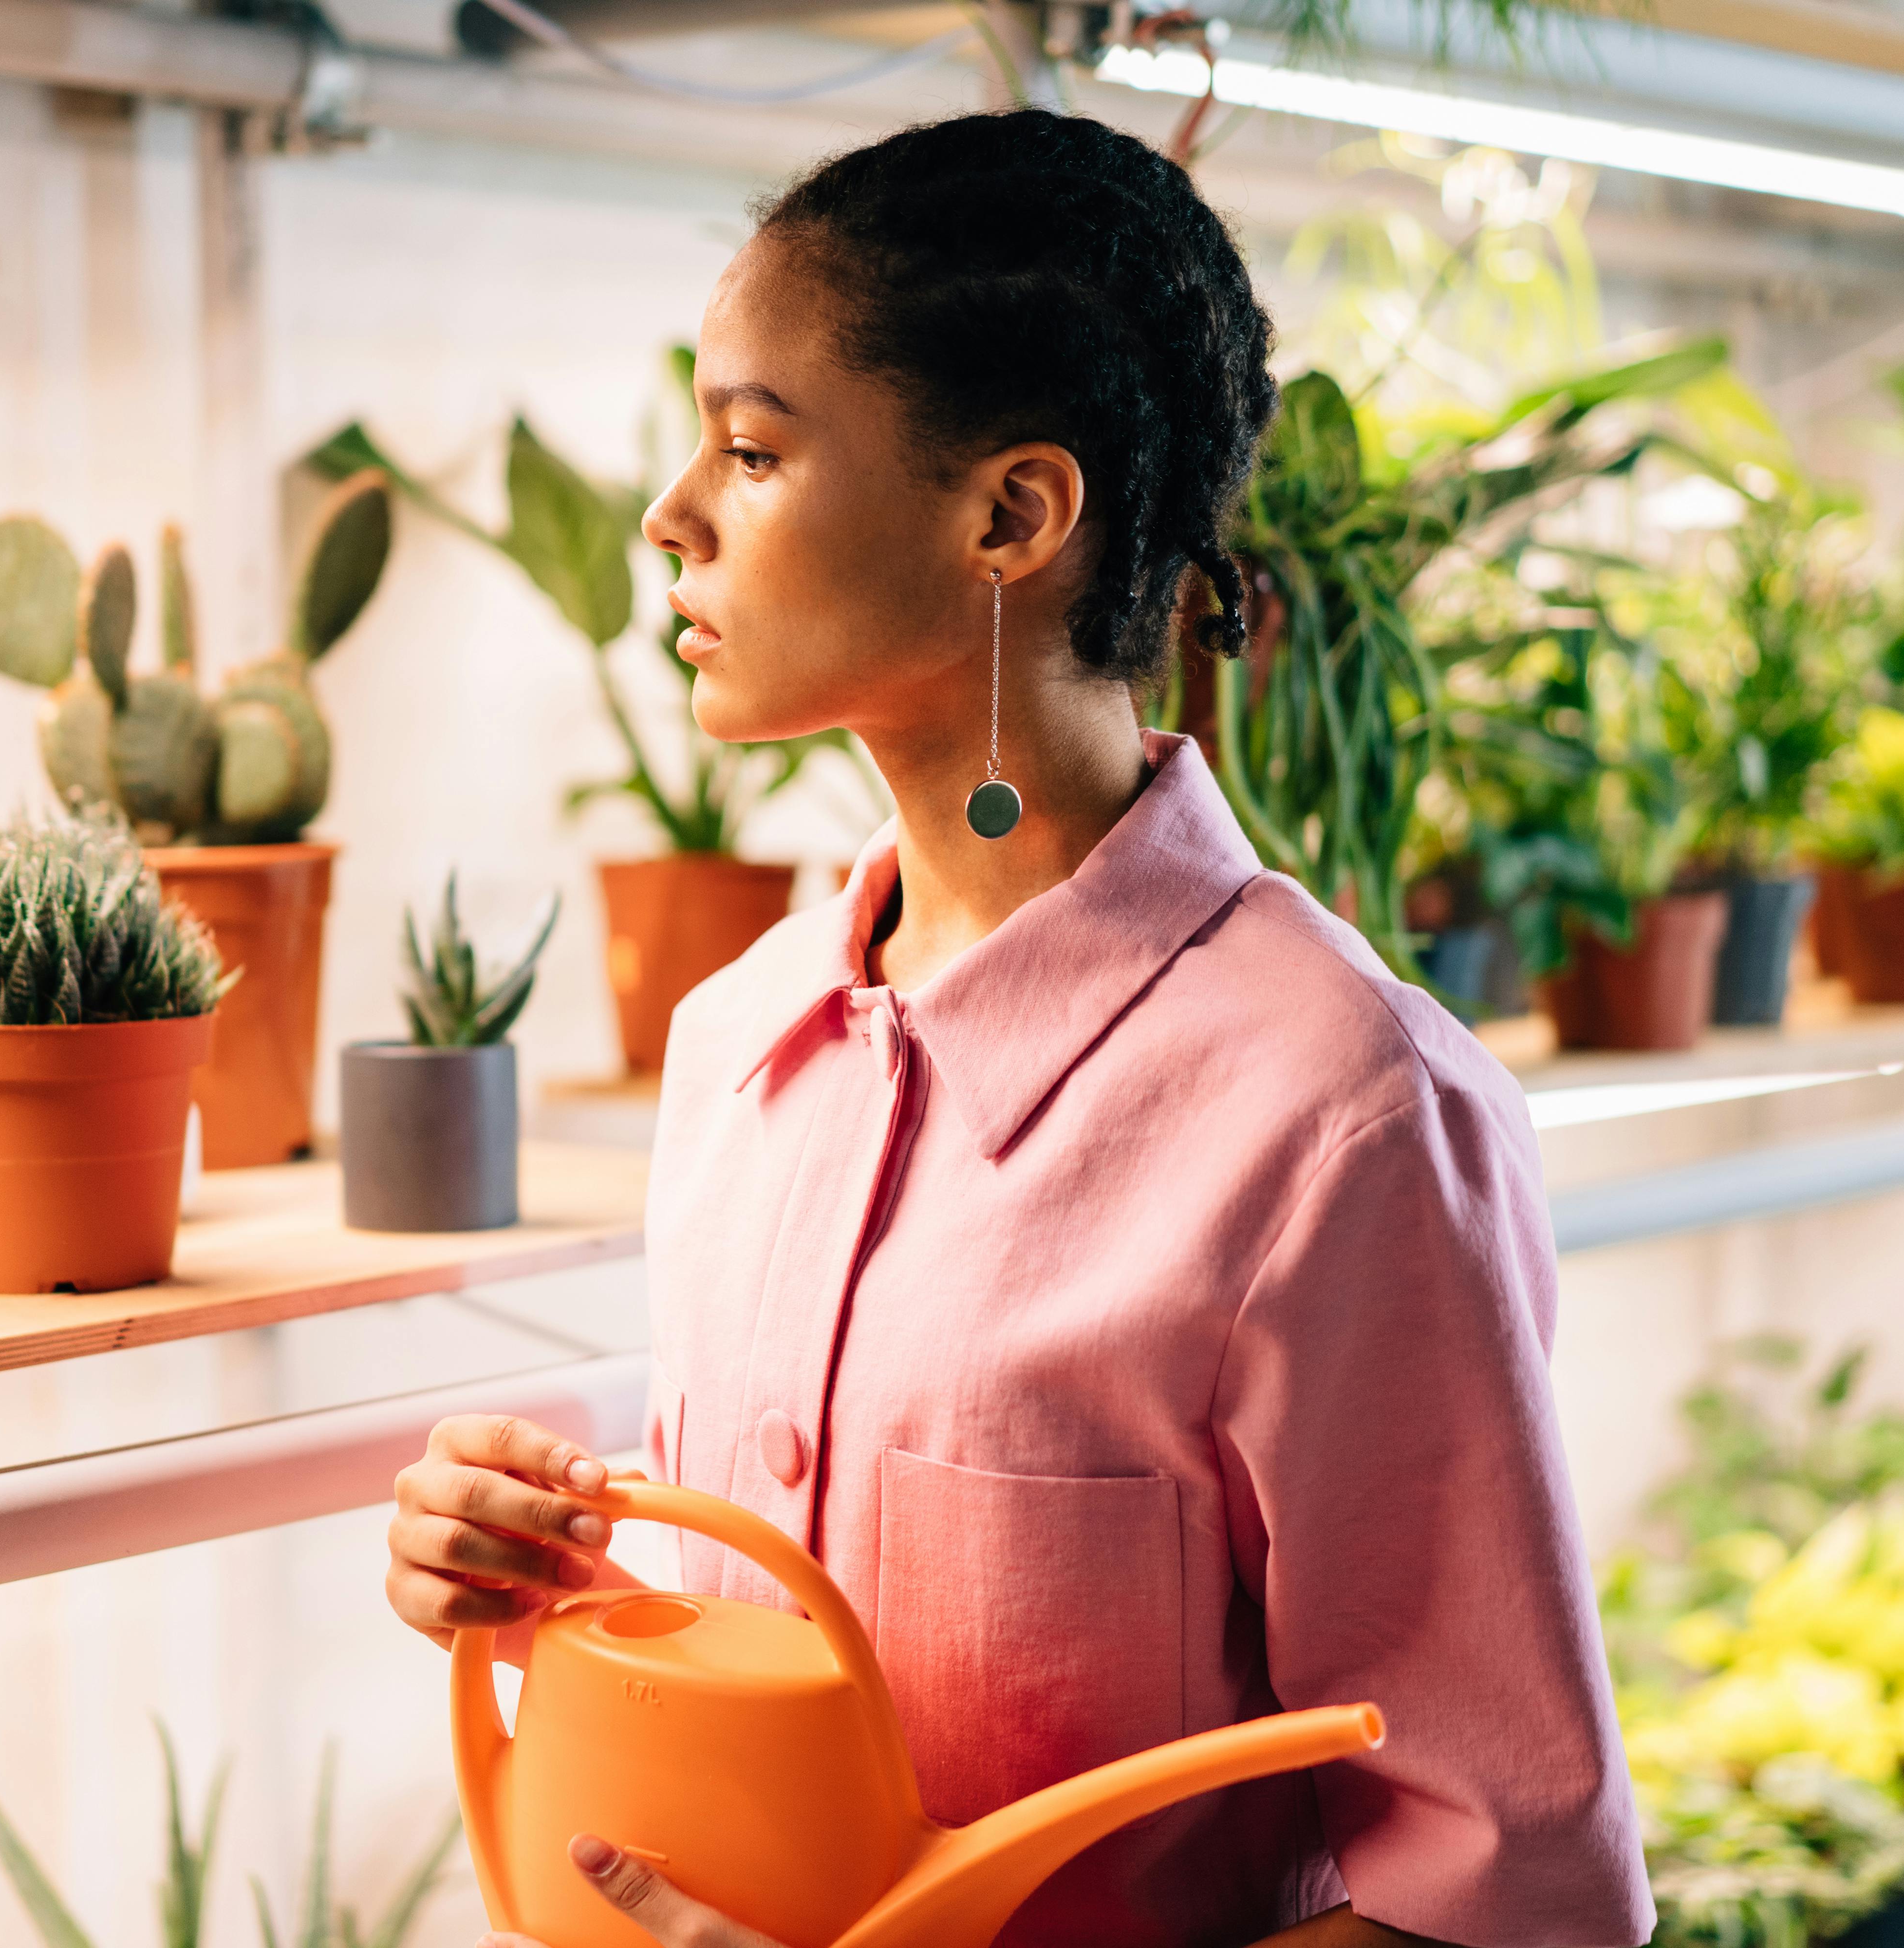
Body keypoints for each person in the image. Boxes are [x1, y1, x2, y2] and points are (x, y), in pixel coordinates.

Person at [386, 108, 1650, 1948]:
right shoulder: (738, 1046)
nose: (671, 514)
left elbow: (1514, 1904)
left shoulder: (1347, 1118)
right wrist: (532, 1574)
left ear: (1012, 515)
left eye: (751, 449)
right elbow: (747, 1668)